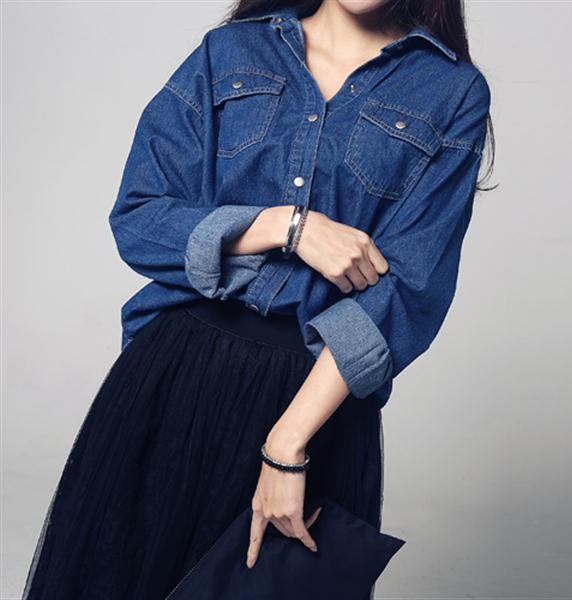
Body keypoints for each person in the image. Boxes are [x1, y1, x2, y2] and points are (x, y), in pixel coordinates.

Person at [21, 0, 496, 598]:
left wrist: (287, 445)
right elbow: (140, 218)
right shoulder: (229, 54)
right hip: (176, 379)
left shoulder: (450, 91)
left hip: (314, 402)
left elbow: (409, 292)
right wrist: (286, 227)